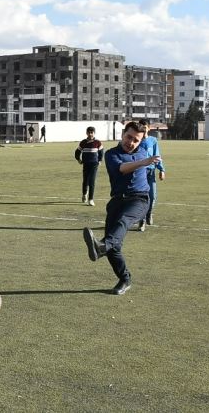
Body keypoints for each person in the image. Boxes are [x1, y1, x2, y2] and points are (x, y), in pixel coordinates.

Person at [82, 121, 160, 295]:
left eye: (136, 140)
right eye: (129, 137)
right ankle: (125, 279)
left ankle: (102, 246)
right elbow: (122, 169)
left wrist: (156, 164)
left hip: (139, 200)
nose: (131, 142)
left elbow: (154, 157)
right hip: (117, 201)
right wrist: (144, 162)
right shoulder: (111, 154)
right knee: (113, 248)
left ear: (141, 141)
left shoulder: (143, 152)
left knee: (123, 222)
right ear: (123, 134)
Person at [137, 119, 165, 230]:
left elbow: (157, 155)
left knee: (152, 196)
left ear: (149, 128)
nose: (143, 128)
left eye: (144, 126)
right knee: (142, 197)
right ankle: (141, 220)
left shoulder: (153, 141)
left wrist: (161, 170)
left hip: (151, 172)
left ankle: (149, 213)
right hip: (140, 172)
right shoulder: (136, 140)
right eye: (140, 126)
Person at [75, 126, 104, 206]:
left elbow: (101, 152)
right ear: (86, 133)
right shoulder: (83, 142)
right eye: (89, 132)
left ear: (94, 133)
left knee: (92, 182)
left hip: (94, 164)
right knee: (85, 181)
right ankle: (84, 194)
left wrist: (100, 160)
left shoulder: (98, 142)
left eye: (92, 132)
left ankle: (91, 199)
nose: (90, 134)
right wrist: (79, 159)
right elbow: (77, 152)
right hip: (86, 164)